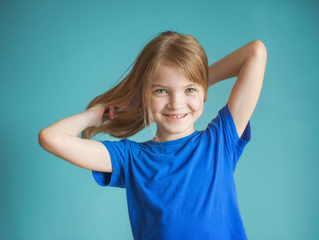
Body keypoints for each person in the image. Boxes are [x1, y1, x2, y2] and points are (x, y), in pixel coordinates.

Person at [38, 31, 267, 240]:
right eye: (161, 90)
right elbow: (50, 138)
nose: (176, 103)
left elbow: (256, 52)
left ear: (202, 91)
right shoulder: (130, 158)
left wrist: (199, 78)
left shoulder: (219, 142)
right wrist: (93, 115)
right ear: (144, 96)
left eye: (189, 90)